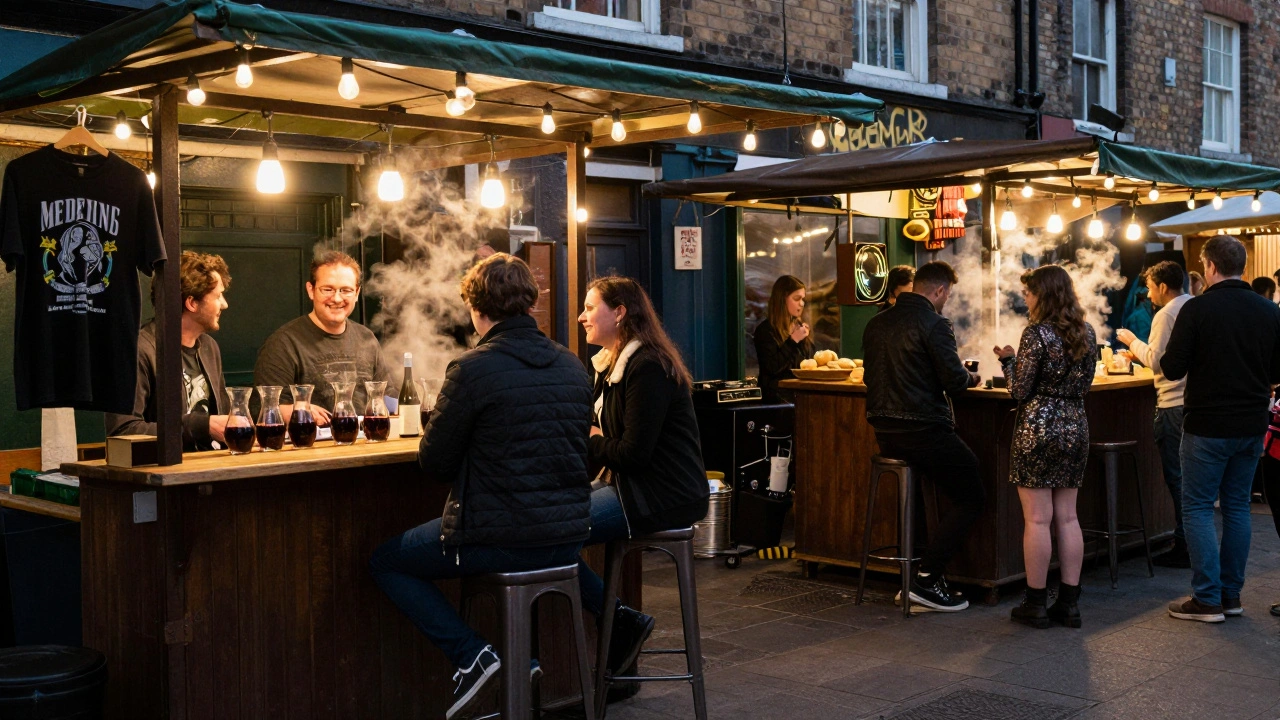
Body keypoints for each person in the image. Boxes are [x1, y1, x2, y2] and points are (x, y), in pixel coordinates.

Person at [368, 254, 594, 720]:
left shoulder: (473, 369)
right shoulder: (573, 365)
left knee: (387, 562)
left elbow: (435, 462)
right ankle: (519, 664)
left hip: (502, 539)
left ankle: (474, 655)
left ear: (475, 307)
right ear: (530, 303)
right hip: (568, 542)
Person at [577, 275, 709, 677]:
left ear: (618, 313)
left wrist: (592, 439)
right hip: (633, 487)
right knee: (546, 527)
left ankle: (619, 618)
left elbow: (632, 454)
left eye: (589, 307)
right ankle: (619, 617)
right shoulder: (614, 363)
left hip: (662, 494)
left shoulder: (646, 365)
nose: (581, 317)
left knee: (549, 529)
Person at [1161, 236, 1280, 623]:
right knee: (1236, 508)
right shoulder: (1269, 310)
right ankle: (1231, 596)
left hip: (1207, 425)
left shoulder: (1197, 310)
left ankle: (1207, 598)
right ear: (1241, 266)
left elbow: (1173, 368)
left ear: (1209, 267)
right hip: (1251, 425)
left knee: (1196, 507)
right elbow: (1278, 373)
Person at [862, 261, 983, 612]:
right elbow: (955, 383)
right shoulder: (935, 323)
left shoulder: (876, 323)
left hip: (884, 432)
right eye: (948, 294)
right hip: (923, 429)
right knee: (971, 494)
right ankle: (927, 579)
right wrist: (970, 377)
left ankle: (916, 575)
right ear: (940, 290)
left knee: (920, 493)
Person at [995, 266, 1096, 629]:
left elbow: (1020, 390)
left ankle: (1035, 603)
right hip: (1075, 426)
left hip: (1038, 428)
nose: (1025, 298)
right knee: (1068, 517)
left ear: (1044, 294)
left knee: (1038, 519)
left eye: (1029, 292)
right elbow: (1085, 383)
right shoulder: (1088, 332)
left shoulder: (1035, 334)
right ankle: (1069, 604)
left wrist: (1008, 362)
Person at [105, 251, 231, 452]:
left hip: (209, 469)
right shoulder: (138, 350)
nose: (224, 304)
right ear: (191, 303)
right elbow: (123, 430)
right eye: (218, 296)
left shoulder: (209, 347)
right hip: (162, 475)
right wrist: (199, 426)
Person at [253, 250, 392, 423]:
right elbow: (264, 409)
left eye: (346, 290)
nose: (337, 298)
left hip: (365, 445)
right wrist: (299, 409)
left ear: (356, 294)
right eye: (328, 289)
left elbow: (386, 398)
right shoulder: (283, 344)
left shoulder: (367, 339)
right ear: (311, 290)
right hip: (309, 446)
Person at [1116, 261, 1192, 568]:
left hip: (1172, 404)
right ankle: (1188, 542)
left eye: (1149, 287)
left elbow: (1159, 362)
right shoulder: (1192, 305)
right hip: (1191, 403)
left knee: (1178, 479)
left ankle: (1184, 545)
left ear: (1162, 286)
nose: (1148, 294)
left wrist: (1132, 341)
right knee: (1189, 480)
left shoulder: (1166, 313)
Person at [753, 275, 812, 402]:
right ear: (782, 299)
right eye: (797, 299)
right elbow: (772, 367)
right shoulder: (765, 331)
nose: (801, 304)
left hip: (800, 397)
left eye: (803, 299)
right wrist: (793, 340)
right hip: (775, 400)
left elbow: (805, 365)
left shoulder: (799, 327)